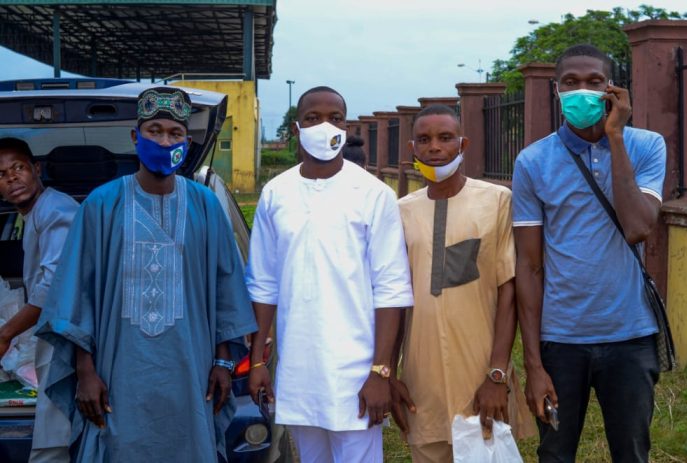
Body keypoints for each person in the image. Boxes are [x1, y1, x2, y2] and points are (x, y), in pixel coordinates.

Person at [35, 87, 258, 462]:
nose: (164, 141)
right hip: (118, 376)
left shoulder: (205, 206)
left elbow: (226, 290)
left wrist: (223, 363)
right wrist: (85, 371)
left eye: (175, 133)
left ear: (186, 142)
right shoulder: (101, 205)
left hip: (191, 375)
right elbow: (77, 294)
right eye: (155, 131)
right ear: (135, 137)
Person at [512, 44, 666, 463]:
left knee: (631, 452)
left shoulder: (647, 146)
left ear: (612, 88)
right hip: (560, 340)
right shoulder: (532, 161)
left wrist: (615, 137)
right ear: (556, 90)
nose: (582, 90)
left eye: (594, 82)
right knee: (555, 453)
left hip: (631, 335)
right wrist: (533, 365)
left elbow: (637, 227)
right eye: (571, 82)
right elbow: (528, 265)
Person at [245, 86, 414, 463]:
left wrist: (381, 372)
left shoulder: (373, 194)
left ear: (346, 126)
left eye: (335, 118)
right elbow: (263, 284)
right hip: (299, 371)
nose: (325, 126)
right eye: (313, 118)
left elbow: (391, 289)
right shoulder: (276, 193)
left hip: (356, 373)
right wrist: (257, 362)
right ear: (296, 129)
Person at [390, 105, 534, 462]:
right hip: (421, 378)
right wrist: (389, 372)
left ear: (463, 144)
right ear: (412, 148)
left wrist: (497, 375)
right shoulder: (401, 211)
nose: (434, 147)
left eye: (445, 138)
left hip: (480, 373)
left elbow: (508, 290)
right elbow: (394, 297)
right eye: (424, 139)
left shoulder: (496, 201)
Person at [0, 137, 78, 462]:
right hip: (55, 340)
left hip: (70, 345)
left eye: (18, 167)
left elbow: (51, 288)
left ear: (36, 169)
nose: (11, 178)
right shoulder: (37, 214)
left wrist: (6, 334)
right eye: (1, 174)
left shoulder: (56, 210)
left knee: (53, 446)